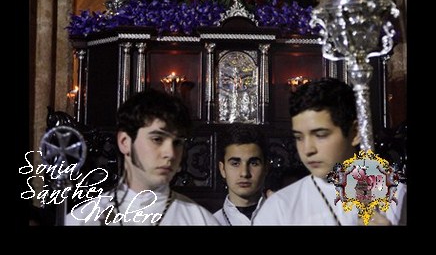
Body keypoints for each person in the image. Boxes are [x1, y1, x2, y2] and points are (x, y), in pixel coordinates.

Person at [253, 78, 407, 225]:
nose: (308, 150)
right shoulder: (279, 208)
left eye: (320, 135)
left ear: (355, 133)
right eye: (299, 137)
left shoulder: (397, 197)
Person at [65, 88, 220, 226]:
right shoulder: (80, 220)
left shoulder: (201, 221)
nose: (170, 153)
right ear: (125, 142)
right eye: (157, 139)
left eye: (177, 142)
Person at [214, 123, 269, 225]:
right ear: (222, 169)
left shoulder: (285, 217)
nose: (244, 173)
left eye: (253, 163)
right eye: (235, 164)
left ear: (266, 168)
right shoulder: (211, 222)